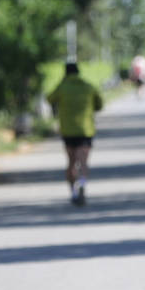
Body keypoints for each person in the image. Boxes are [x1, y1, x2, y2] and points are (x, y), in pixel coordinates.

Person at [47, 62, 103, 206]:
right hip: (85, 130)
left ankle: (73, 192)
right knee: (83, 161)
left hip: (68, 131)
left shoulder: (62, 87)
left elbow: (49, 99)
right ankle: (83, 184)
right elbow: (99, 105)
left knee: (71, 162)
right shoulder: (88, 86)